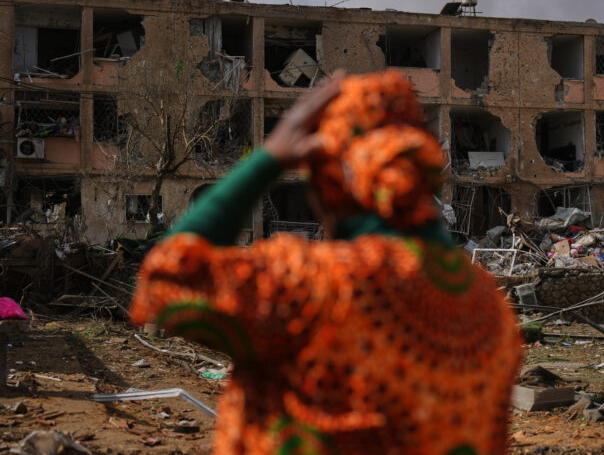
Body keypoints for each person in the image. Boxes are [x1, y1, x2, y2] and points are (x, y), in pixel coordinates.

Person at [129, 70, 523, 454]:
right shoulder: (491, 308)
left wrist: (268, 159)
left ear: (331, 185)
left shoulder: (314, 284)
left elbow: (167, 279)